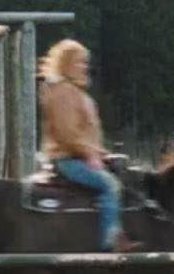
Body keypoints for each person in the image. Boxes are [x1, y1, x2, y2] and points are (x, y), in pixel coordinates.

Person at [35, 39, 121, 251]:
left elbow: (86, 134)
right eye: (79, 62)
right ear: (66, 63)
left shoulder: (72, 90)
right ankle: (109, 243)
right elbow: (67, 133)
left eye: (85, 63)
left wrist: (101, 153)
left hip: (78, 155)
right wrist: (90, 154)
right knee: (110, 186)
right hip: (68, 158)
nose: (84, 67)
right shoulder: (62, 91)